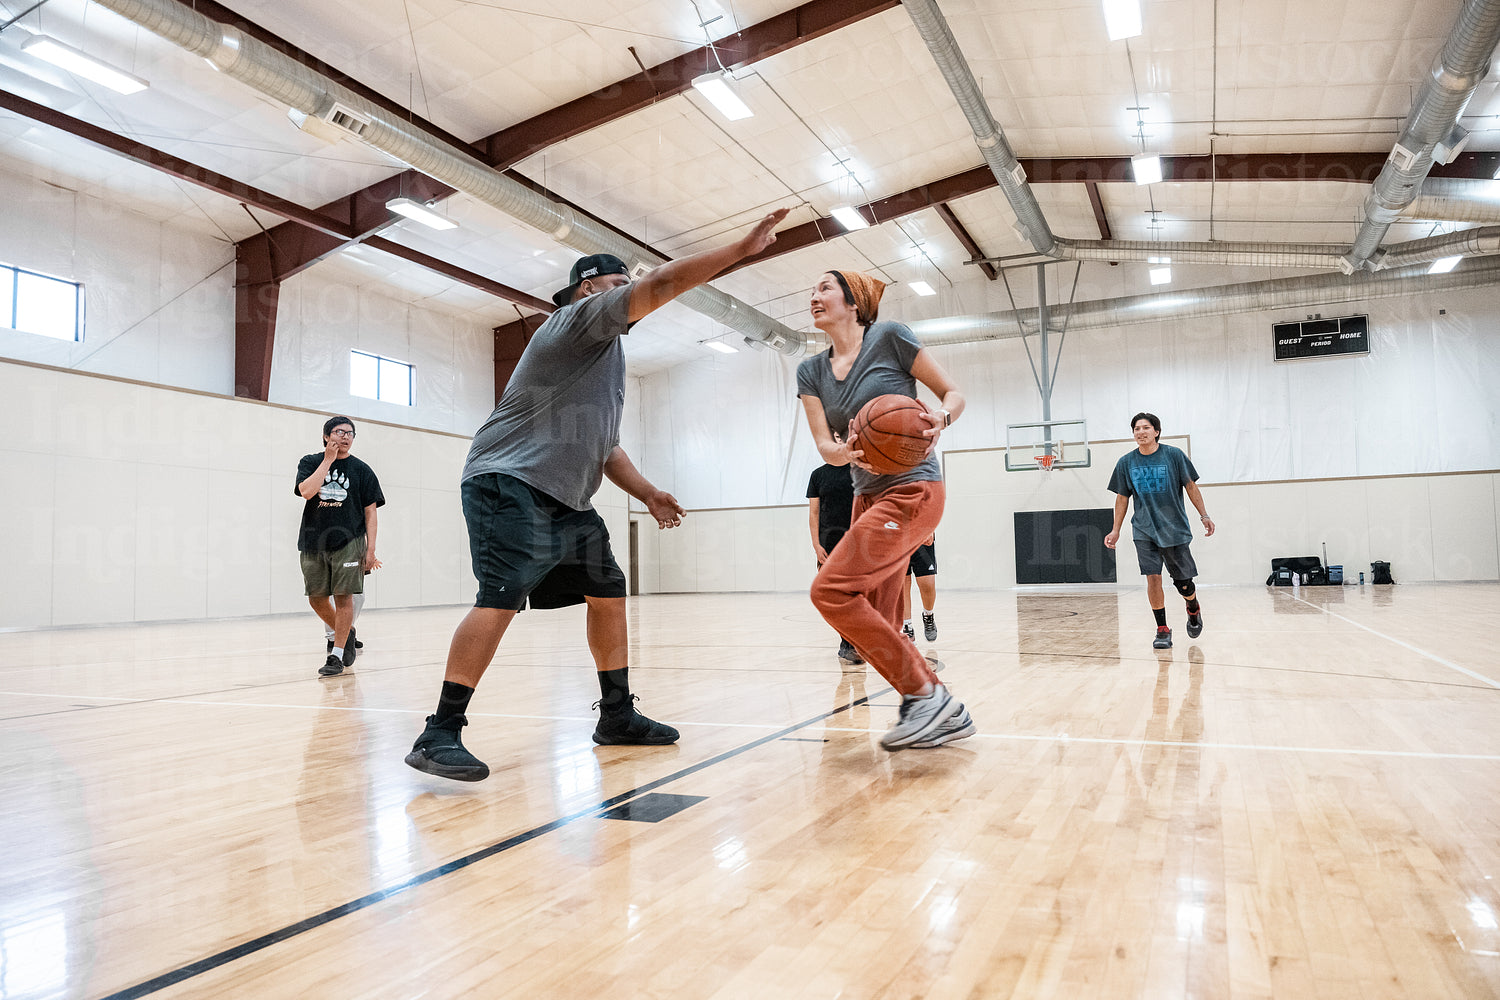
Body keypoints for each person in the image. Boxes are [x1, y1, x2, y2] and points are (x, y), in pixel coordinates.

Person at [405, 208, 790, 782]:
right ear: (589, 289)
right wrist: (739, 249)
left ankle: (617, 716)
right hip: (509, 482)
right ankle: (439, 732)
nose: (627, 296)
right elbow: (660, 285)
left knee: (608, 589)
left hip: (569, 501)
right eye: (617, 286)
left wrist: (652, 493)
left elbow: (606, 450)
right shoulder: (576, 321)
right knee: (500, 597)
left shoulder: (604, 360)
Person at [797, 269, 976, 750]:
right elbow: (823, 444)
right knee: (876, 617)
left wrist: (942, 416)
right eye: (812, 290)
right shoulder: (810, 371)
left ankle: (928, 696)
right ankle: (927, 706)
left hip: (914, 487)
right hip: (865, 494)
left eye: (823, 288)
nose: (814, 296)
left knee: (829, 591)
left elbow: (953, 395)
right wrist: (843, 452)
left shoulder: (890, 338)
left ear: (853, 301)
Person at [1103, 412, 1216, 649]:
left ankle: (1192, 606)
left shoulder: (1173, 456)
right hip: (1144, 530)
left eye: (1145, 427)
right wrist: (1116, 530)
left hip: (1173, 529)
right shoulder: (1126, 462)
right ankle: (1162, 629)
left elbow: (1190, 486)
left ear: (1156, 431)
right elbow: (1122, 498)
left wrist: (1204, 515)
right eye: (1136, 429)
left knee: (1183, 583)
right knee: (1152, 577)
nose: (1140, 432)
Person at [295, 416, 384, 677]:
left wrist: (370, 549)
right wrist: (327, 461)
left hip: (349, 541)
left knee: (344, 597)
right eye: (339, 432)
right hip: (313, 541)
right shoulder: (310, 462)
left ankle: (336, 655)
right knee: (316, 599)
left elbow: (371, 513)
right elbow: (307, 492)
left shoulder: (363, 471)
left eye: (350, 433)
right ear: (326, 436)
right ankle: (347, 631)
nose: (345, 437)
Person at [806, 462, 862, 665]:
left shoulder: (859, 470)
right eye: (835, 436)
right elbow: (814, 513)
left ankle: (852, 642)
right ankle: (846, 643)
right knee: (834, 599)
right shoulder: (817, 474)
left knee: (855, 597)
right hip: (828, 545)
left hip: (855, 544)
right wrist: (816, 544)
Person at [900, 534, 939, 642]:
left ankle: (928, 615)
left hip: (921, 535)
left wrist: (931, 528)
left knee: (928, 584)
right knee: (902, 584)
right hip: (897, 539)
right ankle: (907, 626)